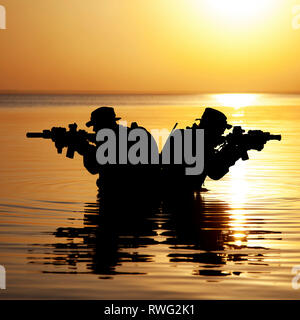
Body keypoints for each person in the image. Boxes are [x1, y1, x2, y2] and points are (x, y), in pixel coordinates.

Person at [75, 106, 160, 200]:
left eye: (96, 125)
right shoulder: (128, 135)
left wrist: (85, 149)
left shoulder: (117, 140)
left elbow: (94, 167)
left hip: (123, 194)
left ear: (104, 124)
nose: (94, 129)